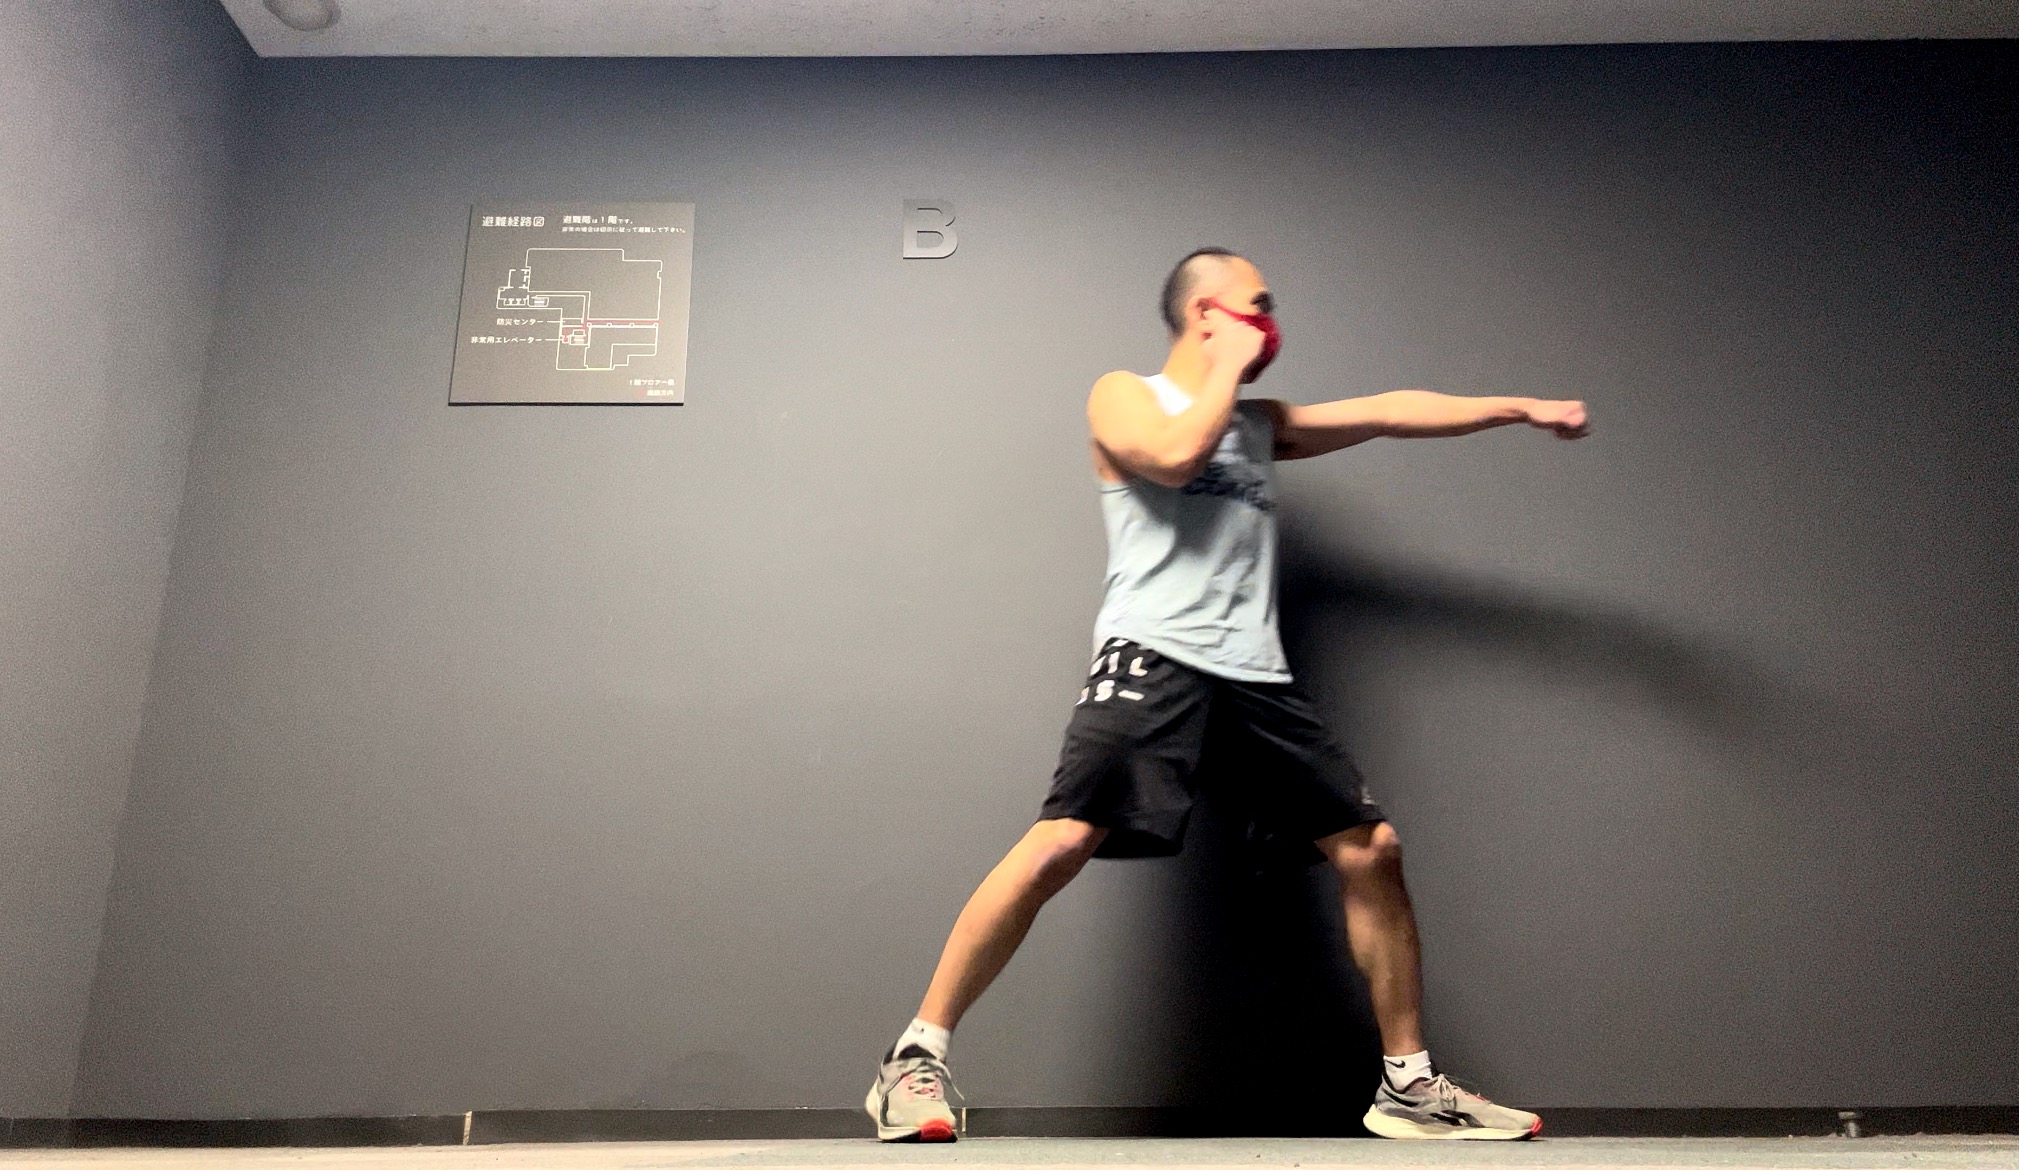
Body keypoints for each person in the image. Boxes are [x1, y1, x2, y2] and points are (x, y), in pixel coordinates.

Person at [865, 247, 1590, 1143]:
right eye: (1256, 305)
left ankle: (1407, 1086)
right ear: (1205, 314)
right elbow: (1173, 459)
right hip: (1152, 655)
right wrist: (1226, 372)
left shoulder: (1256, 422)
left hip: (1254, 675)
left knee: (1370, 849)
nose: (1269, 323)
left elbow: (1389, 411)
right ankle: (914, 1059)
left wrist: (1520, 409)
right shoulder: (1124, 396)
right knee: (1064, 839)